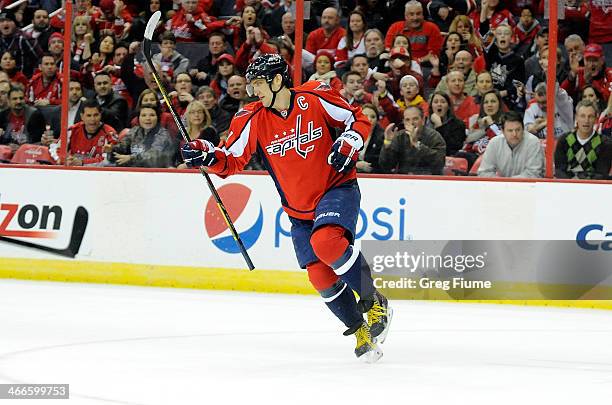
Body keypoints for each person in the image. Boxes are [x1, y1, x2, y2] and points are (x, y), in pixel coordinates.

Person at [180, 54, 392, 362]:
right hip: (298, 210)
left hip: (337, 188)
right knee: (320, 276)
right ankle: (359, 328)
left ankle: (374, 301)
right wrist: (206, 154)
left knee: (327, 242)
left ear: (277, 80)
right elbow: (230, 159)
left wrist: (348, 142)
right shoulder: (251, 117)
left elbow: (357, 119)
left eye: (257, 84)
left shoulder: (314, 97)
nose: (253, 92)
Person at [378, 105, 446, 175]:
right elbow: (386, 166)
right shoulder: (399, 137)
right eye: (407, 120)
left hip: (428, 180)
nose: (411, 123)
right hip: (404, 180)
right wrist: (388, 143)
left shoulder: (434, 136)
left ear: (423, 120)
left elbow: (439, 163)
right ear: (403, 122)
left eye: (415, 119)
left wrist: (417, 145)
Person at [554, 100, 612, 179]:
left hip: (593, 188)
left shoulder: (605, 143)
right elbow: (559, 171)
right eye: (582, 116)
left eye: (590, 116)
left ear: (596, 119)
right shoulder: (564, 140)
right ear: (576, 117)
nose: (586, 120)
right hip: (567, 186)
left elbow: (601, 175)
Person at [478, 111, 544, 178]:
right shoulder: (494, 143)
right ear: (503, 131)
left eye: (518, 130)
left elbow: (533, 174)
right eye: (510, 130)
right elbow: (484, 172)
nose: (514, 134)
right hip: (503, 186)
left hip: (530, 187)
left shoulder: (533, 142)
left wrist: (507, 183)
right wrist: (502, 184)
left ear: (523, 129)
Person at [106, 105, 176, 168]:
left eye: (152, 115)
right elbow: (122, 147)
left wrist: (131, 158)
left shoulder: (163, 134)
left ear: (157, 118)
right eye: (143, 115)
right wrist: (112, 149)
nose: (148, 118)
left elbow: (154, 156)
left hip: (158, 172)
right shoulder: (134, 131)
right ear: (138, 118)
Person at [64, 98, 118, 166]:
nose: (92, 119)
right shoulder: (72, 130)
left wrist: (83, 163)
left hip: (99, 174)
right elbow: (56, 148)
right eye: (89, 115)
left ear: (100, 115)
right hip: (73, 171)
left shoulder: (110, 133)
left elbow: (109, 161)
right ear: (82, 116)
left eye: (96, 115)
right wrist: (62, 158)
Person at [0, 85, 46, 151]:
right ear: (8, 101)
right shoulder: (2, 116)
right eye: (15, 99)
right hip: (7, 152)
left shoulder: (35, 115)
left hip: (27, 152)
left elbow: (38, 141)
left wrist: (21, 148)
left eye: (21, 98)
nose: (18, 101)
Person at [426, 92, 466, 156]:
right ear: (431, 106)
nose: (439, 104)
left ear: (448, 106)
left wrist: (439, 126)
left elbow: (452, 147)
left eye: (443, 102)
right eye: (436, 102)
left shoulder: (458, 124)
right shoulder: (424, 123)